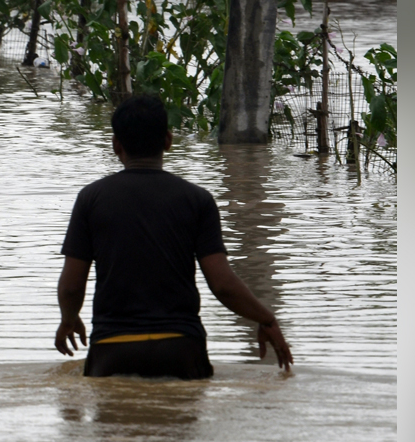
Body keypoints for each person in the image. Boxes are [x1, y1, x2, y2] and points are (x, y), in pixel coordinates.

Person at [54, 94, 293, 379]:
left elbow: (71, 286)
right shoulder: (197, 200)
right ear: (168, 140)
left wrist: (69, 320)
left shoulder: (90, 199)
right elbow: (223, 284)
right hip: (181, 348)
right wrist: (266, 319)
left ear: (116, 144)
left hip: (112, 348)